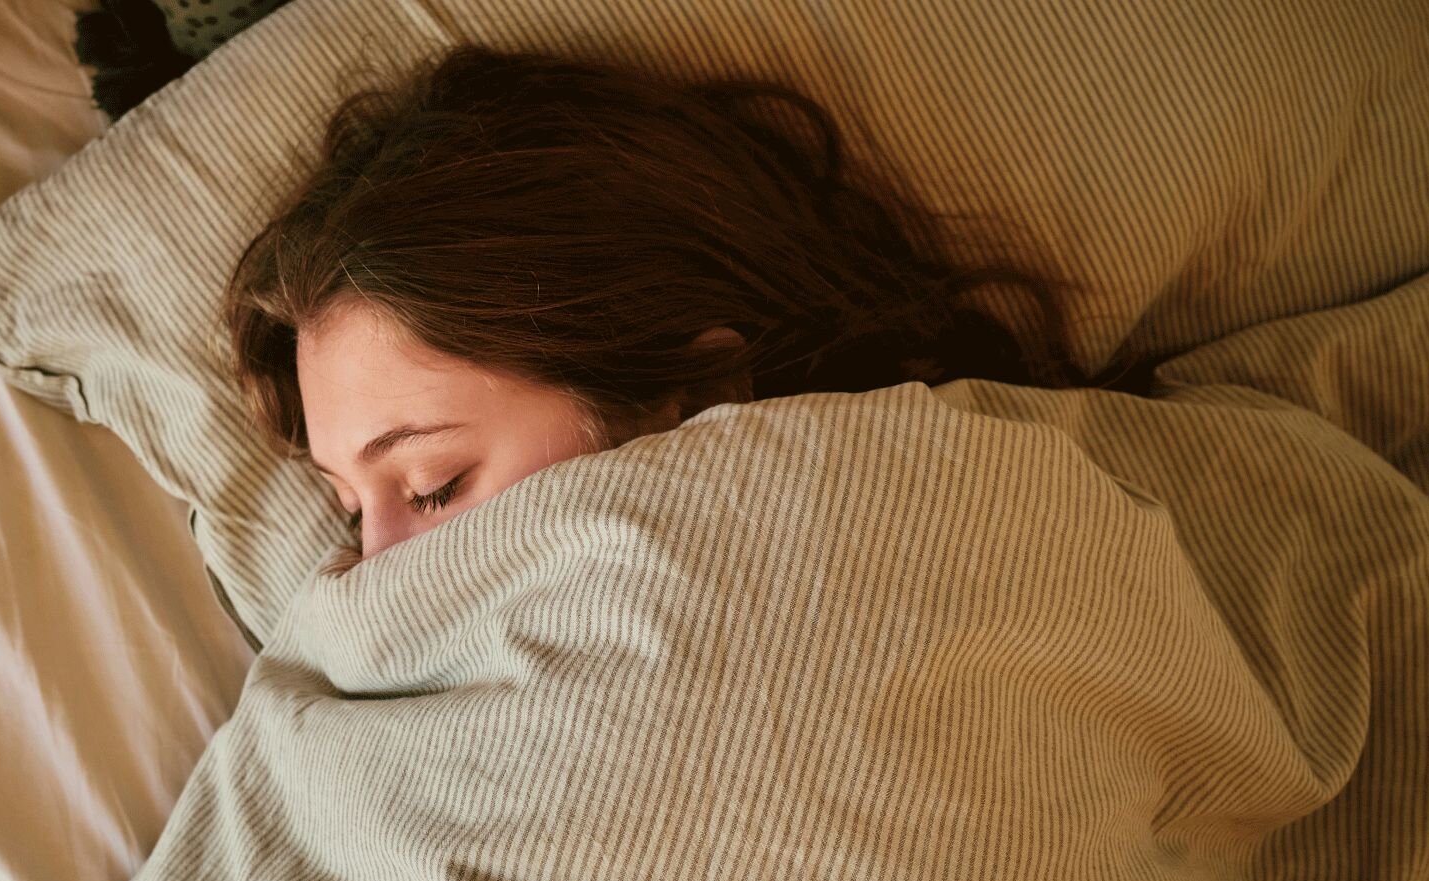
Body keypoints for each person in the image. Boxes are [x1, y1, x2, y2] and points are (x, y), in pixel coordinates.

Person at [223, 44, 1138, 560]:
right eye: (351, 513)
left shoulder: (1034, 526)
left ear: (689, 395)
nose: (372, 570)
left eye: (435, 487)